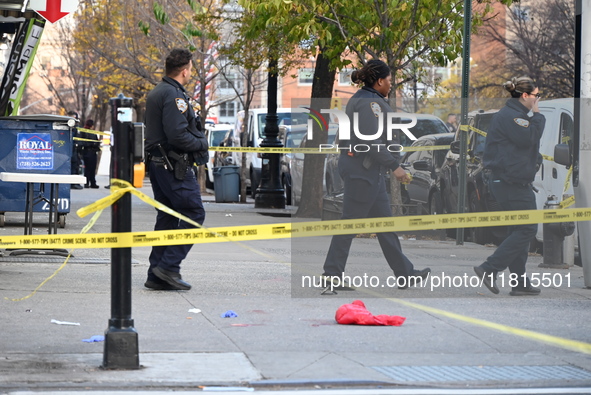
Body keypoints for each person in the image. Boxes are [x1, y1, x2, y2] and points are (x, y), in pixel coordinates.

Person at [321, 59, 430, 293]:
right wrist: (395, 166)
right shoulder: (370, 104)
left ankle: (404, 274)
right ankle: (331, 275)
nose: (391, 84)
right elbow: (370, 140)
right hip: (363, 171)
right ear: (379, 80)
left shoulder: (368, 99)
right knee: (349, 224)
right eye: (389, 80)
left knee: (385, 225)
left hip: (368, 172)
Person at [144, 48, 208, 291]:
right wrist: (201, 143)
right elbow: (178, 134)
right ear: (184, 70)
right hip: (174, 166)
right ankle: (168, 268)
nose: (191, 73)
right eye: (191, 69)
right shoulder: (173, 95)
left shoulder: (160, 91)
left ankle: (156, 274)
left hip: (161, 165)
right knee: (193, 213)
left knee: (169, 217)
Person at [474, 76, 545, 296]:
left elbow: (519, 147)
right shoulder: (515, 117)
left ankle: (520, 282)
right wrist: (539, 115)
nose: (537, 99)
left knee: (518, 230)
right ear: (525, 96)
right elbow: (529, 138)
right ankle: (489, 268)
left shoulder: (513, 115)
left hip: (509, 181)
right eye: (536, 95)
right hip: (511, 183)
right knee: (527, 229)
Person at [79, 119, 100, 188]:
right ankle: (87, 182)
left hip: (93, 152)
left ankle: (92, 182)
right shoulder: (84, 132)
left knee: (92, 168)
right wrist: (93, 144)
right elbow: (83, 142)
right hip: (88, 152)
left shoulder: (91, 132)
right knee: (88, 168)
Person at [67, 111, 83, 190]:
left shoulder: (77, 129)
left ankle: (75, 182)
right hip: (68, 150)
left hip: (75, 151)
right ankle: (71, 183)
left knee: (76, 166)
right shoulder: (66, 128)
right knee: (71, 167)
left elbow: (79, 140)